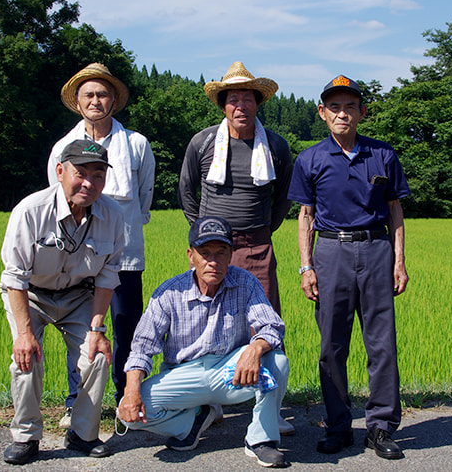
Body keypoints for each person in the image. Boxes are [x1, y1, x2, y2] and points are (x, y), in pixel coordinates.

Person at [287, 75, 410, 460]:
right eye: (335, 107)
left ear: (362, 112)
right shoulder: (310, 158)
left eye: (350, 106)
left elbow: (395, 210)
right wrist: (306, 267)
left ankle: (381, 427)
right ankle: (338, 425)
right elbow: (305, 216)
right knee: (331, 345)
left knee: (381, 344)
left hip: (375, 250)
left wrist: (399, 260)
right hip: (331, 253)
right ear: (323, 113)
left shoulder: (383, 154)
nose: (343, 113)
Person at [117, 216, 291, 468]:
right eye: (205, 253)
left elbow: (271, 325)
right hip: (184, 374)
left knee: (277, 361)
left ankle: (260, 440)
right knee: (131, 416)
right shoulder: (169, 292)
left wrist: (255, 348)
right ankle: (196, 418)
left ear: (231, 255)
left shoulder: (245, 282)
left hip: (229, 372)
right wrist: (131, 391)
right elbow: (143, 347)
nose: (213, 261)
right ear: (191, 256)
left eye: (221, 253)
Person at [0, 140, 124, 465]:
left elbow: (107, 277)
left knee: (96, 357)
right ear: (60, 172)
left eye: (98, 175)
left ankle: (82, 433)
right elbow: (15, 277)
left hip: (78, 295)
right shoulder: (31, 210)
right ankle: (26, 436)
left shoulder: (113, 215)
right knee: (27, 358)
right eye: (80, 173)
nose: (89, 183)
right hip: (32, 296)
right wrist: (24, 334)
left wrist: (98, 328)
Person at [48, 63, 155, 426]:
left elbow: (143, 200)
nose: (96, 100)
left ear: (114, 101)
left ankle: (126, 398)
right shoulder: (63, 146)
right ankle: (74, 401)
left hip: (125, 255)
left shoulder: (136, 144)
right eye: (88, 94)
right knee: (81, 330)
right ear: (78, 103)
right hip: (77, 257)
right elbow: (57, 199)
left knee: (127, 329)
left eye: (103, 94)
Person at [178, 61, 293, 318]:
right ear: (223, 106)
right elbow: (186, 190)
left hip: (257, 246)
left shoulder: (276, 145)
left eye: (247, 99)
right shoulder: (202, 142)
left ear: (257, 104)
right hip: (211, 247)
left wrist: (264, 227)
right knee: (208, 317)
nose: (241, 106)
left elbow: (286, 193)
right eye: (233, 100)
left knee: (263, 319)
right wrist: (202, 230)